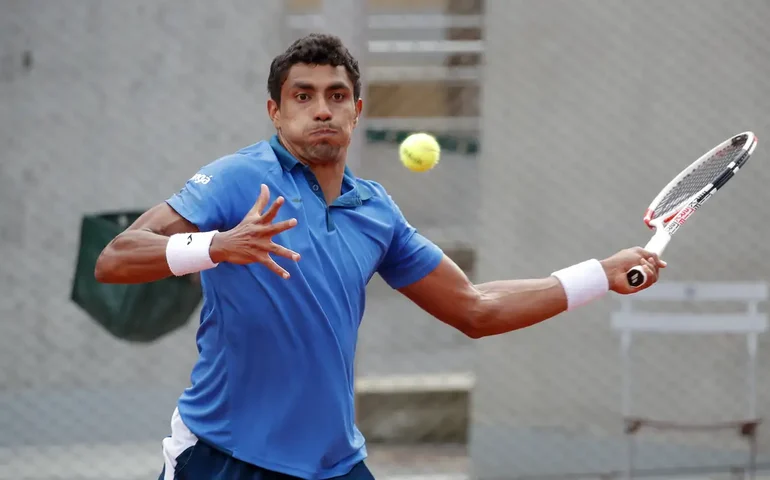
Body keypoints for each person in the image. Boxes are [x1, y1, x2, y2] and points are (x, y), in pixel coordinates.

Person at [94, 33, 666, 480]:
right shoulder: (237, 178)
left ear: (357, 110)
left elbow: (475, 308)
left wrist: (600, 275)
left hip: (333, 464)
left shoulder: (376, 211)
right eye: (303, 96)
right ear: (275, 111)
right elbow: (116, 258)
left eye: (336, 96)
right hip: (225, 457)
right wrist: (216, 246)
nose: (322, 110)